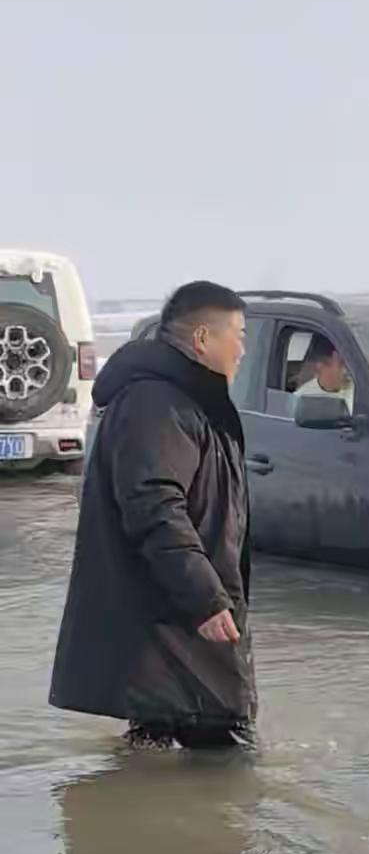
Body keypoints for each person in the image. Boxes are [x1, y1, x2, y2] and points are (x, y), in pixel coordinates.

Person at [49, 281, 257, 751]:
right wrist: (205, 597)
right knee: (226, 762)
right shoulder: (157, 405)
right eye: (238, 335)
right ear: (202, 338)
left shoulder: (187, 400)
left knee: (159, 759)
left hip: (172, 632)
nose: (243, 350)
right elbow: (154, 505)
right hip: (177, 628)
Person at [296, 334, 354, 411]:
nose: (348, 370)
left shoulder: (360, 392)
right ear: (319, 366)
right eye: (341, 363)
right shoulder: (302, 399)